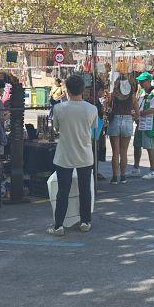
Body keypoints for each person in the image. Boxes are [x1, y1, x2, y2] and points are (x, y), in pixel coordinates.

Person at [47, 74, 97, 236]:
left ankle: (58, 225)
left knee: (63, 191)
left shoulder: (59, 108)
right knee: (85, 190)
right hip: (85, 154)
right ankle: (85, 221)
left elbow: (56, 129)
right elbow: (94, 128)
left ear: (67, 89)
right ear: (83, 90)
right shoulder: (92, 109)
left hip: (64, 155)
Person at [106, 74, 137, 184]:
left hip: (115, 120)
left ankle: (115, 177)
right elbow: (137, 112)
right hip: (128, 120)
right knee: (124, 151)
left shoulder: (113, 94)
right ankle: (123, 176)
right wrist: (132, 118)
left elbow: (108, 107)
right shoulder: (132, 96)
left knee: (115, 152)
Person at [131, 72, 154, 179]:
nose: (140, 83)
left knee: (149, 147)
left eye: (142, 81)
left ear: (148, 81)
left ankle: (153, 171)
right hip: (140, 123)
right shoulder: (142, 92)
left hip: (149, 124)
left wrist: (139, 113)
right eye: (139, 81)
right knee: (136, 145)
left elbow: (153, 109)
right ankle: (136, 168)